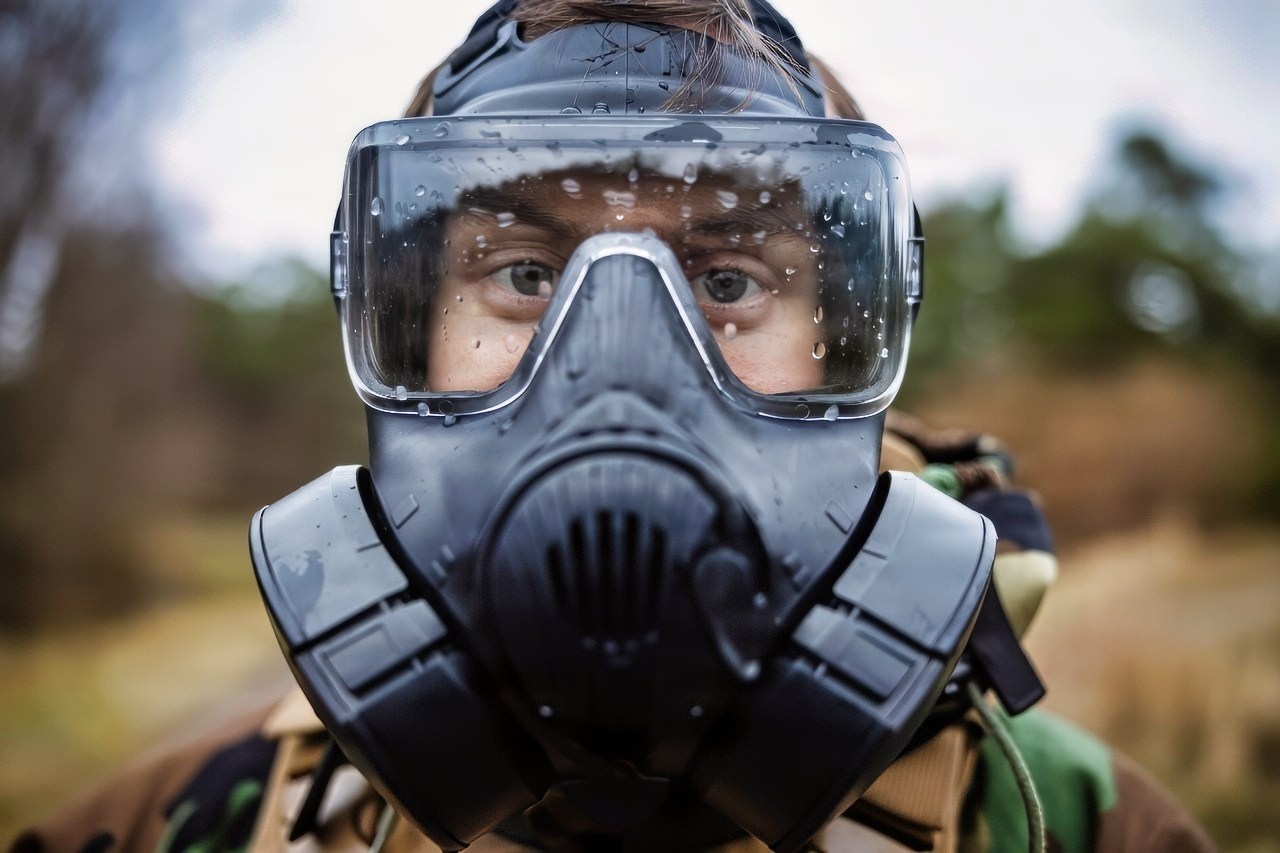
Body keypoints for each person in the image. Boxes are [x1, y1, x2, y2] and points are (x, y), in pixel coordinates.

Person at [13, 2, 1217, 851]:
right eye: (526, 274)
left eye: (731, 280)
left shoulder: (1078, 826)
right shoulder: (210, 819)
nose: (615, 361)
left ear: (847, 342)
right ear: (403, 321)